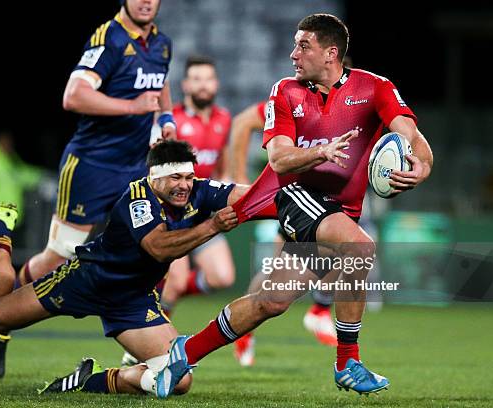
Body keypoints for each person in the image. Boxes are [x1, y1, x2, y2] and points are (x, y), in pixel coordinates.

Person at [163, 13, 433, 395]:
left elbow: (410, 132)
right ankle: (348, 362)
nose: (293, 54)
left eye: (303, 46)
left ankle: (184, 351)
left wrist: (421, 164)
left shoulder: (375, 88)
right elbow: (278, 158)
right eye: (294, 45)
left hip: (338, 213)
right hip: (297, 196)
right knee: (360, 247)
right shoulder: (285, 91)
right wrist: (321, 152)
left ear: (331, 53)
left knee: (269, 302)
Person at [0, 140, 247, 398]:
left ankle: (91, 380)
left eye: (188, 177)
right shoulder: (137, 199)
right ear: (153, 177)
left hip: (131, 300)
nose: (184, 185)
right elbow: (158, 247)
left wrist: (286, 195)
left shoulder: (198, 191)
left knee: (180, 380)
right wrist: (212, 226)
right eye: (175, 178)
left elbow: (246, 196)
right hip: (87, 280)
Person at [0, 0, 176, 379]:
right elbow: (74, 95)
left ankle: (141, 342)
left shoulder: (162, 43)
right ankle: (0, 323)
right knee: (59, 255)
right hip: (90, 166)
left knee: (157, 246)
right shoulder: (109, 38)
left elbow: (160, 82)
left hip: (135, 169)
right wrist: (133, 108)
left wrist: (165, 118)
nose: (147, 1)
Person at [229, 100, 337, 368]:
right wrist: (239, 177)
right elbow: (243, 122)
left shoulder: (352, 104)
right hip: (296, 197)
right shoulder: (293, 99)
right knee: (275, 273)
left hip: (326, 198)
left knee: (345, 246)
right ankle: (244, 329)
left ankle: (320, 309)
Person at [161, 56, 234, 314]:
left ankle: (162, 294)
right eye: (196, 79)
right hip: (172, 213)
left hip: (202, 210)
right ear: (185, 85)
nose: (203, 85)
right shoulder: (173, 122)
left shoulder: (224, 119)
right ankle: (146, 347)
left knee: (222, 277)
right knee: (176, 282)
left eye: (208, 79)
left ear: (216, 84)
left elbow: (223, 167)